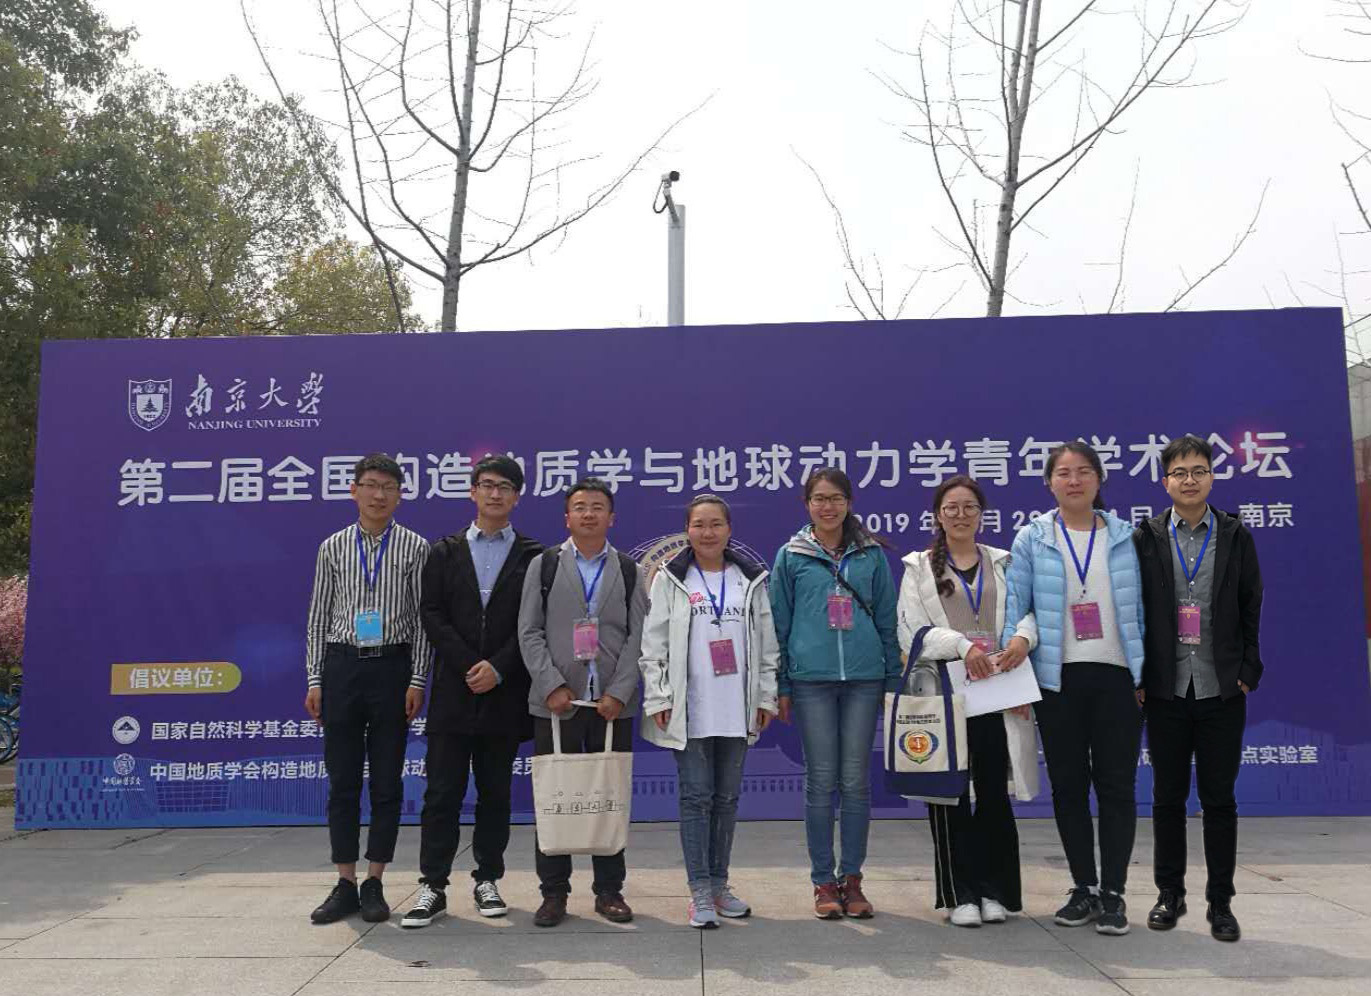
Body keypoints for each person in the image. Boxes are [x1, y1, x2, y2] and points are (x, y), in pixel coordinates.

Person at [1001, 441, 1145, 936]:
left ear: (1099, 479)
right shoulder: (1033, 538)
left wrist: (1147, 675)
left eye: (1084, 471)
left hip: (1117, 676)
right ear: (1049, 483)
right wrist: (1016, 680)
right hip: (1057, 678)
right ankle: (1084, 886)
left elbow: (1148, 610)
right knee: (1068, 786)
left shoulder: (1128, 538)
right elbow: (1016, 608)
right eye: (1063, 473)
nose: (1074, 480)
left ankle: (1114, 892)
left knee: (1117, 786)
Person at [402, 455, 544, 929]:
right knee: (441, 792)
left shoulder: (533, 556)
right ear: (472, 492)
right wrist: (468, 664)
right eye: (486, 484)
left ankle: (488, 879)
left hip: (504, 691)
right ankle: (432, 885)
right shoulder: (444, 551)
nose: (494, 493)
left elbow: (534, 623)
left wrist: (499, 667)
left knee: (495, 793)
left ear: (517, 496)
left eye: (504, 486)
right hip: (455, 689)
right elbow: (431, 613)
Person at [1134, 434, 1263, 943]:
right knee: (1167, 798)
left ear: (1211, 476)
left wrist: (1247, 669)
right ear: (1165, 481)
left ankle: (1221, 902)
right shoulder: (1146, 537)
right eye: (1180, 472)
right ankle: (1170, 893)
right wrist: (1141, 676)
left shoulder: (1234, 534)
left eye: (1199, 471)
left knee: (1219, 800)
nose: (1190, 480)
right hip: (1166, 690)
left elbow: (1252, 602)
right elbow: (1135, 610)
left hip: (1220, 688)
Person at [896, 475, 1040, 928]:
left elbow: (1028, 611)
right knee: (949, 796)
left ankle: (996, 892)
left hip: (997, 691)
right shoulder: (919, 567)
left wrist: (1022, 638)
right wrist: (961, 646)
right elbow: (912, 631)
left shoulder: (1004, 562)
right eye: (951, 508)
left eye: (969, 507)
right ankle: (960, 894)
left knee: (994, 793)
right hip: (947, 695)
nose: (960, 515)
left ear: (982, 514)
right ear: (938, 516)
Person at [639, 495, 781, 929]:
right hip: (690, 709)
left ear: (729, 529)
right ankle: (699, 891)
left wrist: (765, 697)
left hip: (737, 707)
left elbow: (768, 646)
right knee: (696, 798)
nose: (707, 532)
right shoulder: (671, 579)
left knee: (727, 799)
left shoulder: (750, 579)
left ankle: (720, 886)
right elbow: (653, 645)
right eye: (699, 524)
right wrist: (659, 697)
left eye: (716, 524)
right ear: (687, 530)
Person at [769, 468, 902, 920]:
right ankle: (823, 881)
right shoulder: (791, 555)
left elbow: (887, 619)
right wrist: (782, 684)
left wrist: (892, 680)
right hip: (811, 681)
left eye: (836, 498)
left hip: (865, 679)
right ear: (806, 505)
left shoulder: (871, 554)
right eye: (819, 499)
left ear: (849, 503)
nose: (828, 507)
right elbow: (779, 625)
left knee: (856, 782)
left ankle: (853, 879)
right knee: (821, 780)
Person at [304, 453, 430, 925]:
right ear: (354, 490)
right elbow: (318, 618)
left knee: (386, 781)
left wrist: (417, 678)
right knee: (342, 781)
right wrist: (315, 678)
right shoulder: (333, 547)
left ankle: (375, 880)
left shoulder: (416, 547)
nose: (379, 495)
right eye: (371, 485)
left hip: (392, 669)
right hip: (342, 666)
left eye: (389, 487)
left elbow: (422, 621)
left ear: (400, 495)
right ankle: (345, 881)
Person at [517, 477, 647, 927]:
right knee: (556, 796)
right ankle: (553, 893)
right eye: (580, 507)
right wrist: (551, 685)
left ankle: (609, 891)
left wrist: (620, 692)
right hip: (559, 704)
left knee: (609, 797)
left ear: (611, 517)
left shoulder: (629, 569)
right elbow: (528, 631)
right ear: (566, 517)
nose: (588, 514)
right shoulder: (545, 565)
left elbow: (638, 636)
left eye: (597, 507)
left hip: (611, 705)